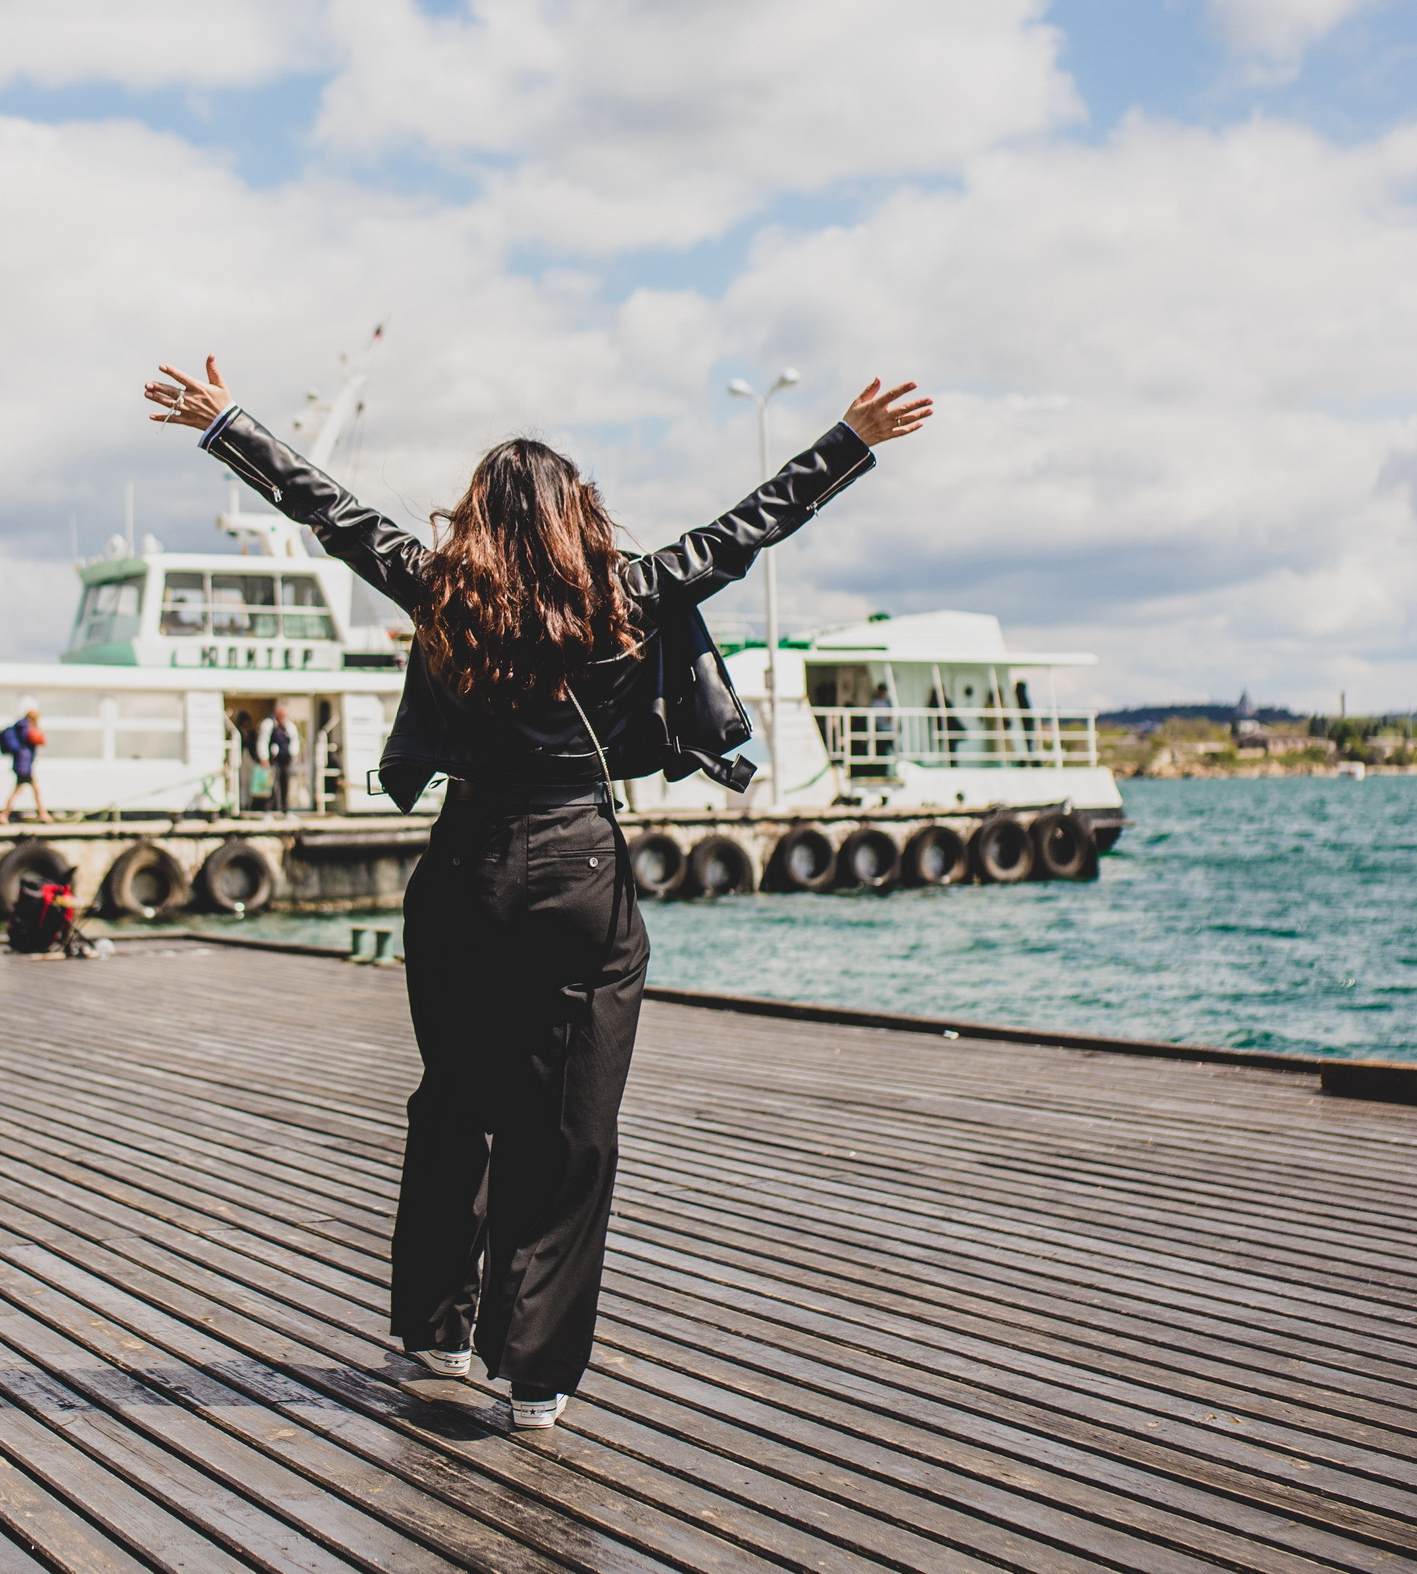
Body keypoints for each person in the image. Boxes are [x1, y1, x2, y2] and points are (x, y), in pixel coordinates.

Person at [147, 351, 930, 1431]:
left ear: (473, 517)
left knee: (452, 1103)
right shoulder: (629, 593)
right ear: (578, 514)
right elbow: (750, 528)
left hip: (463, 865)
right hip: (578, 871)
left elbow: (325, 510)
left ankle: (434, 1329)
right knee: (567, 1131)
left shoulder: (435, 588)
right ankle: (535, 1375)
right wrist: (850, 440)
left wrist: (227, 421)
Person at [0, 698, 49, 823]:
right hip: (23, 765)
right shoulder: (26, 728)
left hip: (23, 764)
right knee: (30, 789)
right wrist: (38, 728)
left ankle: (5, 814)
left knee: (22, 790)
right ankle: (4, 814)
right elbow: (40, 739)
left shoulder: (21, 727)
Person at [268, 705, 297, 814]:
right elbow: (264, 741)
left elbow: (294, 741)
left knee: (285, 785)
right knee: (271, 786)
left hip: (286, 760)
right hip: (274, 760)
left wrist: (293, 754)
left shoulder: (289, 727)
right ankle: (269, 810)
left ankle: (286, 810)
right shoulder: (271, 726)